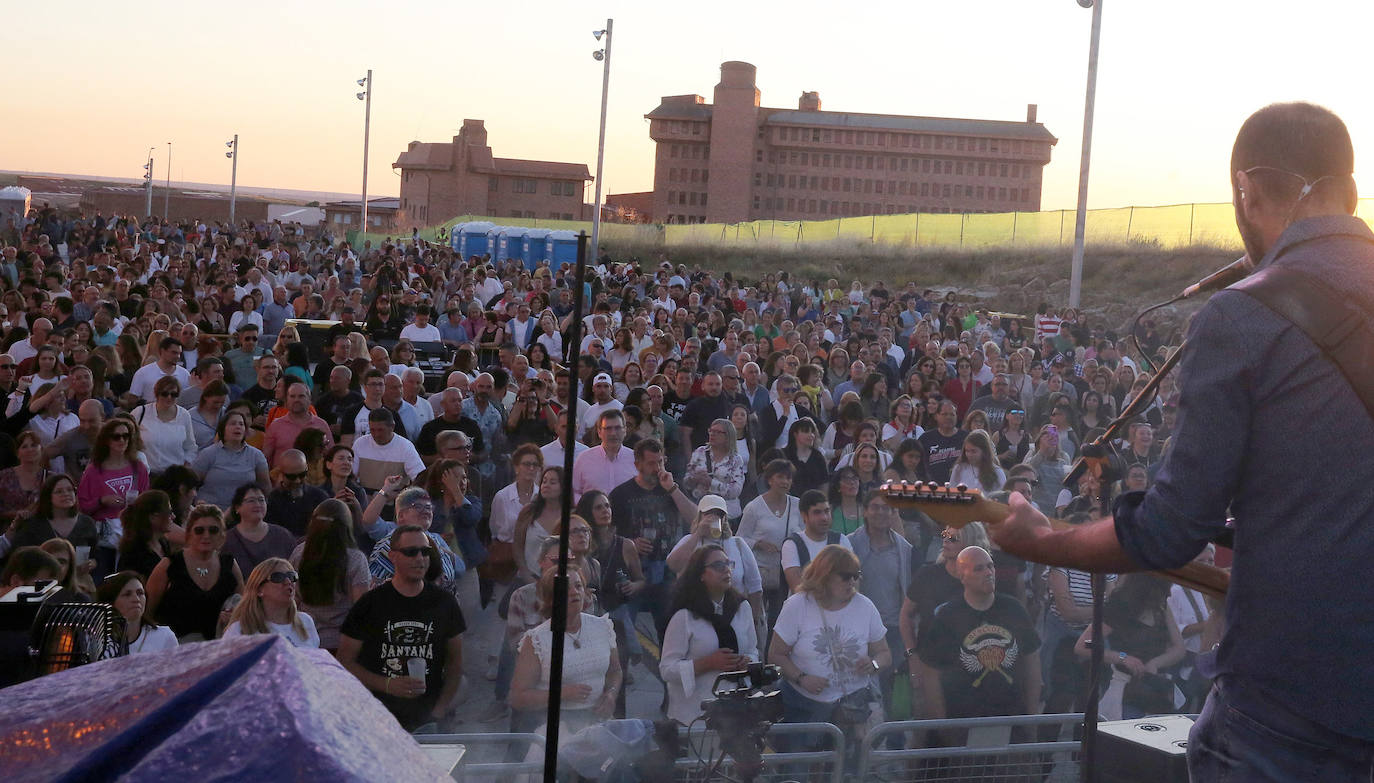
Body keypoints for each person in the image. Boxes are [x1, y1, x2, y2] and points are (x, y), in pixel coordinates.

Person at [339, 525, 467, 733]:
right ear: (392, 556)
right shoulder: (370, 604)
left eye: (425, 552)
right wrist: (387, 684)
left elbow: (456, 664)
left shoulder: (445, 602)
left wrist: (439, 712)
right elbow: (345, 662)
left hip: (428, 718)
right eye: (410, 552)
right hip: (380, 718)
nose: (420, 558)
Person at [768, 545, 890, 750]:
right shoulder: (798, 605)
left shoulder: (865, 606)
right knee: (800, 772)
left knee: (848, 773)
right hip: (804, 707)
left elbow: (885, 653)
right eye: (845, 576)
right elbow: (776, 654)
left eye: (856, 575)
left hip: (852, 707)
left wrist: (874, 663)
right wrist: (801, 678)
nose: (852, 581)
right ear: (824, 576)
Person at [914, 546, 1041, 720]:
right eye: (979, 569)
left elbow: (1032, 664)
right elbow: (931, 674)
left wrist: (1032, 716)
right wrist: (941, 725)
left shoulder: (1014, 610)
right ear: (962, 576)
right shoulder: (947, 617)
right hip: (962, 720)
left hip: (1012, 717)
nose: (988, 572)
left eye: (990, 566)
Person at [508, 567, 620, 742]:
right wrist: (561, 693)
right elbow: (518, 697)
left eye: (578, 586)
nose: (574, 592)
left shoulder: (602, 626)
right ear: (550, 598)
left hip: (598, 724)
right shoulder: (536, 640)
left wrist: (611, 694)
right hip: (554, 728)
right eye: (566, 588)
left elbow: (615, 671)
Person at [660, 544, 760, 726]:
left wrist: (747, 660)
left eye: (728, 564)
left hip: (734, 710)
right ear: (701, 575)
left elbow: (753, 650)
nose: (726, 570)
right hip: (695, 714)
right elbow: (667, 669)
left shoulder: (742, 608)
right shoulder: (686, 616)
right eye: (717, 566)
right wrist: (707, 663)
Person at [1073, 573, 1185, 721]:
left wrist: (1156, 663)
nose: (1169, 594)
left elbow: (1179, 648)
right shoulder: (1119, 607)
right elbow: (1084, 645)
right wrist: (1122, 658)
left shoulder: (1161, 606)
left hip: (1157, 690)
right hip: (1127, 691)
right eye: (1164, 589)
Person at [665, 495, 765, 643]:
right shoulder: (689, 541)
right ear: (700, 516)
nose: (714, 518)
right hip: (696, 614)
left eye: (719, 514)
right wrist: (698, 533)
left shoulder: (737, 544)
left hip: (733, 612)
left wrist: (754, 618)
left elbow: (755, 585)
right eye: (709, 514)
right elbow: (673, 565)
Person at [146, 505, 245, 642]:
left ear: (222, 534)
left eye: (213, 530)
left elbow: (245, 608)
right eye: (199, 530)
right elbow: (147, 614)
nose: (206, 535)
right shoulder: (169, 565)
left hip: (218, 647)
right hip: (176, 648)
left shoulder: (230, 564)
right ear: (189, 534)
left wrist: (232, 616)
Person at [290, 498, 371, 653]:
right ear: (347, 525)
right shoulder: (355, 559)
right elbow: (360, 609)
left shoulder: (299, 553)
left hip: (305, 641)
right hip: (341, 644)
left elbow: (292, 598)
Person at [78, 419, 151, 577]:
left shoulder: (139, 468)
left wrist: (136, 504)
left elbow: (147, 501)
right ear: (106, 440)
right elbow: (83, 506)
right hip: (103, 535)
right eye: (116, 436)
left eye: (126, 436)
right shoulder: (94, 470)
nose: (122, 440)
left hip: (131, 531)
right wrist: (102, 501)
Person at [222, 557, 320, 648]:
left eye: (292, 576)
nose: (288, 581)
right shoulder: (241, 630)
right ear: (259, 590)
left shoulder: (305, 621)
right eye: (277, 577)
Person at [191, 409, 271, 509]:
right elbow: (191, 482)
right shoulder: (208, 454)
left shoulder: (256, 455)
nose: (238, 427)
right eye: (233, 424)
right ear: (223, 429)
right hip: (212, 512)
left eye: (241, 424)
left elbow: (265, 487)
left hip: (243, 513)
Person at [781, 489, 853, 592]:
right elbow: (797, 588)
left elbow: (852, 580)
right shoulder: (792, 545)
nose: (824, 517)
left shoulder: (842, 540)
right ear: (804, 516)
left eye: (826, 511)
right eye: (817, 512)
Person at [222, 484, 296, 577]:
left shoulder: (283, 536)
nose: (257, 504)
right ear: (237, 507)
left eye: (261, 500)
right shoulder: (227, 540)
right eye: (251, 500)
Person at [98, 570, 179, 654]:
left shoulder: (164, 636)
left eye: (140, 593)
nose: (136, 599)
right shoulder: (98, 642)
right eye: (127, 594)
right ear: (111, 603)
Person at [683, 418, 747, 521]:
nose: (712, 434)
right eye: (711, 431)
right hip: (702, 511)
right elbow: (686, 482)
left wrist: (711, 483)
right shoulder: (700, 452)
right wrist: (695, 478)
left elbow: (736, 490)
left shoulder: (735, 460)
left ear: (728, 436)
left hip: (727, 514)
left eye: (718, 432)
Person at [352, 408, 426, 495]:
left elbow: (420, 479)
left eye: (380, 430)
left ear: (392, 426)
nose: (376, 435)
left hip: (394, 501)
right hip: (366, 499)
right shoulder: (360, 444)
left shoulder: (405, 447)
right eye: (372, 430)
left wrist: (401, 495)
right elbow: (351, 476)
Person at [133, 376, 198, 474]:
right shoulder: (140, 412)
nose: (169, 397)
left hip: (174, 476)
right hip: (145, 473)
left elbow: (190, 447)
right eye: (164, 394)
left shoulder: (184, 415)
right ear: (157, 394)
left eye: (174, 394)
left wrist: (186, 466)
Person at [571, 409, 637, 501]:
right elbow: (574, 491)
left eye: (617, 428)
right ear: (599, 432)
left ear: (625, 430)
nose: (613, 433)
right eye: (608, 428)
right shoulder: (584, 459)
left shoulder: (636, 459)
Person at [266, 449, 330, 537]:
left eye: (302, 475)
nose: (297, 481)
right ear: (281, 473)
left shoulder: (319, 497)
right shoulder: (272, 500)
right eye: (291, 477)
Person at [115, 490, 176, 580]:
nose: (173, 516)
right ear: (153, 518)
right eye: (169, 513)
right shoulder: (133, 553)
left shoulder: (163, 543)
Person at [949, 429, 1007, 495]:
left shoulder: (997, 472)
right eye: (967, 451)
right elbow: (952, 492)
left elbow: (1002, 497)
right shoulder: (959, 468)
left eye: (973, 451)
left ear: (984, 451)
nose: (969, 455)